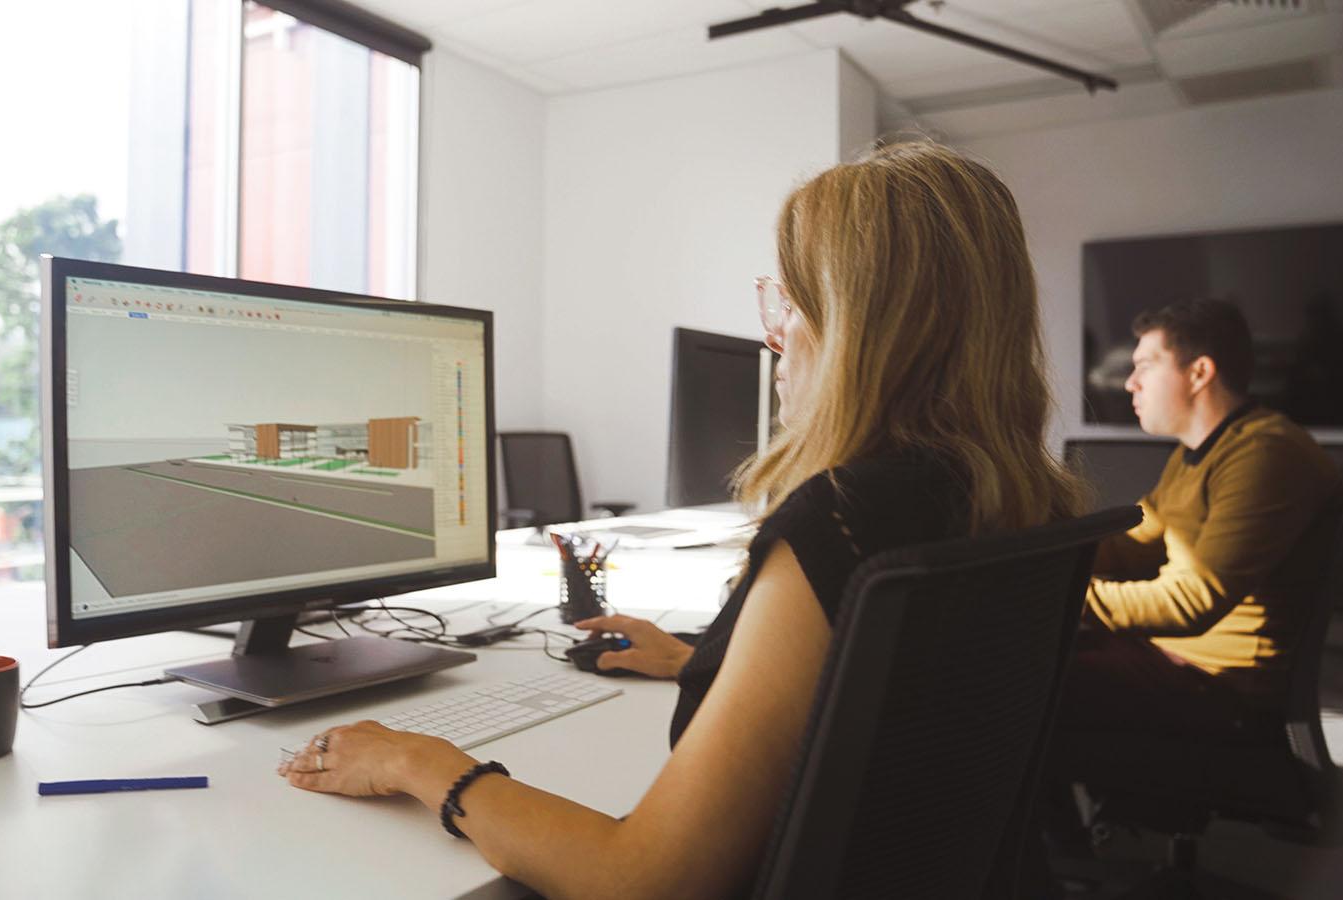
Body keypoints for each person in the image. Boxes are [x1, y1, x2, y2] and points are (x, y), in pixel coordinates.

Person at [278, 142, 1085, 899]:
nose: (773, 335)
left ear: (859, 329)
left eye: (792, 301)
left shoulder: (841, 521)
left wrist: (419, 763)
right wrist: (708, 659)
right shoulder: (1018, 501)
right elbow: (904, 704)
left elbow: (645, 879)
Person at [1062, 300, 1343, 741]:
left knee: (1023, 685)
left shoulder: (1265, 454)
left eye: (1145, 366)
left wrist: (1059, 595)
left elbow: (1192, 600)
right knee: (1028, 658)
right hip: (1173, 663)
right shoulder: (1199, 452)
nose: (1130, 382)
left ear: (1199, 373)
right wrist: (1048, 558)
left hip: (1223, 688)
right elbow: (1134, 543)